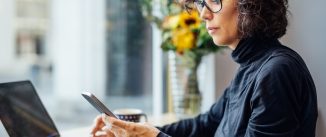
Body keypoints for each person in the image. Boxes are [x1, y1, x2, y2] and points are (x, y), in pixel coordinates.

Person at [91, 0, 318, 136]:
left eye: (215, 0)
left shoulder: (277, 72)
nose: (203, 13)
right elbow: (205, 125)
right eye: (201, 1)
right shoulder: (251, 67)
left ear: (252, 4)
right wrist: (134, 131)